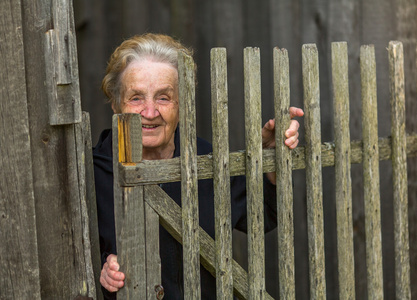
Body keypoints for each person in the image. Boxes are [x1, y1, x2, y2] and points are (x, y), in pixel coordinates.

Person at [93, 33, 304, 299]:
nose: (149, 112)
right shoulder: (91, 173)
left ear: (183, 104)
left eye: (163, 98)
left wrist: (270, 160)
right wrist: (101, 269)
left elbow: (261, 217)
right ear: (115, 103)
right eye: (136, 98)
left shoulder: (206, 160)